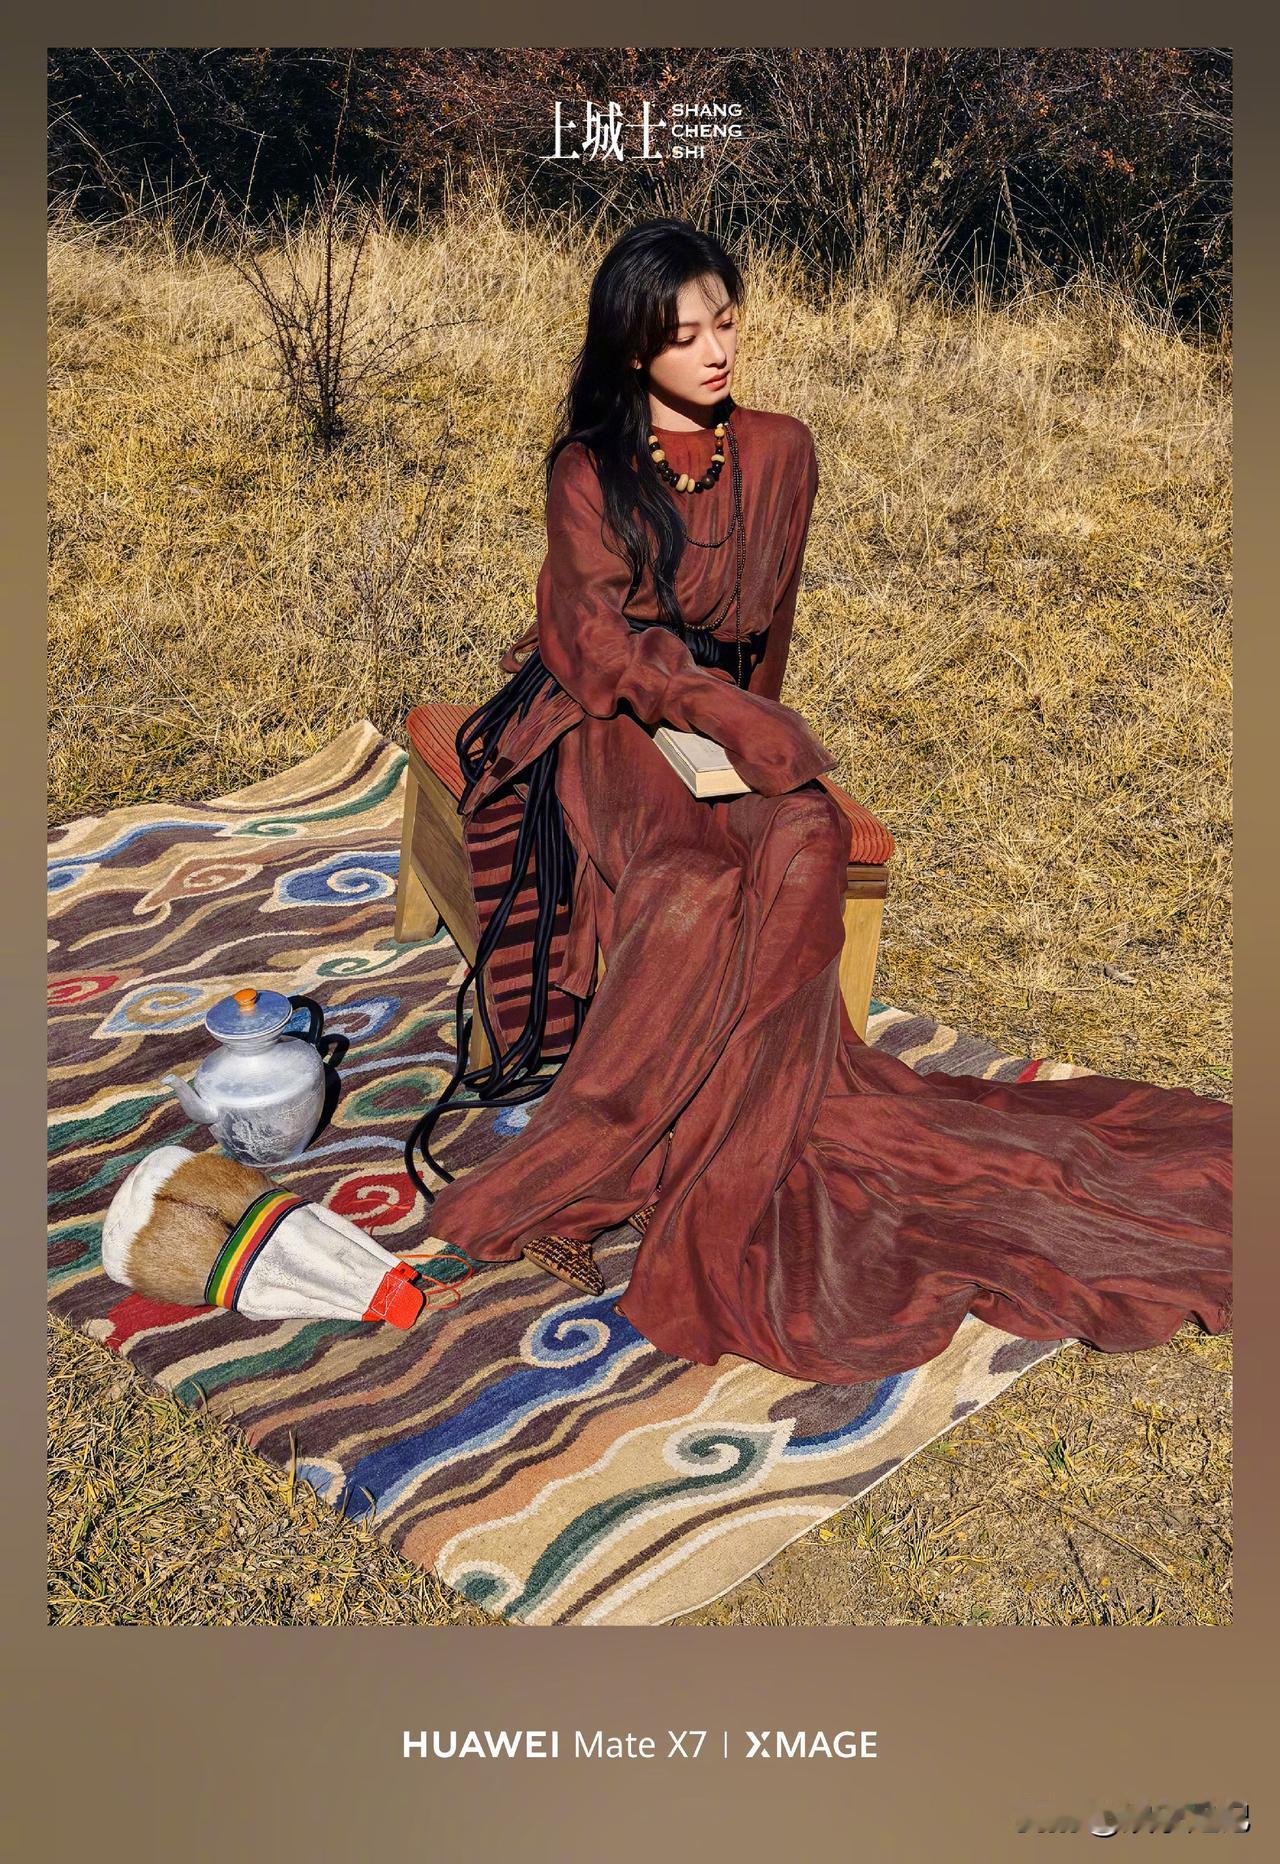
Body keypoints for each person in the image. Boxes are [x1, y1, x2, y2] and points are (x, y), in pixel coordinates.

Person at [404, 218, 1232, 1386]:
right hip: (602, 717)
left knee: (802, 830)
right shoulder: (586, 468)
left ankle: (747, 1120)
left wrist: (757, 738)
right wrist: (715, 712)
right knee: (689, 888)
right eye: (682, 335)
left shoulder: (780, 451)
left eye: (724, 323)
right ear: (632, 349)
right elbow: (593, 643)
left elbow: (767, 634)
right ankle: (594, 1164)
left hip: (715, 727)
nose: (713, 351)